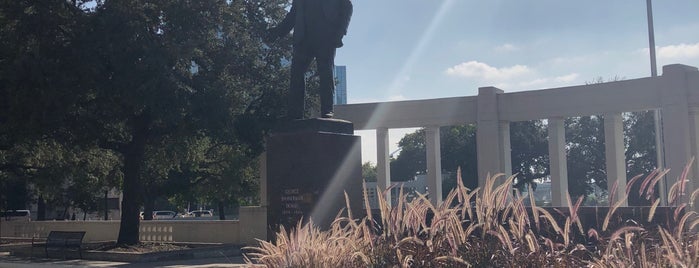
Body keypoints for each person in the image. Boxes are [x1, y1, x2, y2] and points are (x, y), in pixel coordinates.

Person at [269, 0, 353, 119]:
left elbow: (347, 7)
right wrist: (277, 32)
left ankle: (327, 110)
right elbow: (293, 15)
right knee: (296, 74)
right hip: (304, 37)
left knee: (325, 73)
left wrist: (340, 31)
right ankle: (295, 113)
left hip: (326, 36)